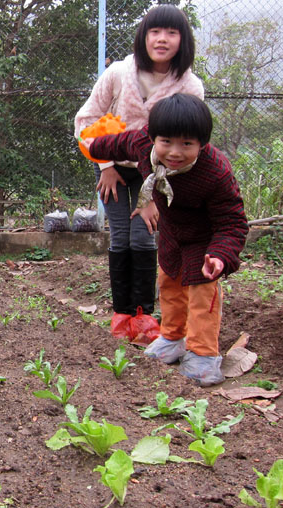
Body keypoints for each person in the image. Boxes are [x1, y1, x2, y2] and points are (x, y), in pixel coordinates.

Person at [84, 93, 249, 386]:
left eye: (187, 144)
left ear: (202, 143)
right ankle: (173, 338)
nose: (175, 152)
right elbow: (119, 142)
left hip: (204, 238)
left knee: (202, 296)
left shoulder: (215, 172)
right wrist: (94, 146)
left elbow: (232, 222)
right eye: (167, 142)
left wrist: (220, 254)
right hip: (172, 231)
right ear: (153, 136)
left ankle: (203, 354)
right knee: (170, 282)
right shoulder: (143, 143)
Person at [74, 5, 204, 330]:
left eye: (171, 33)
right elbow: (85, 120)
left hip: (158, 173)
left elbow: (187, 144)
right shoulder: (119, 72)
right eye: (154, 32)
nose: (162, 40)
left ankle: (143, 317)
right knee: (120, 236)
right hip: (113, 165)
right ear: (143, 37)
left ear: (182, 40)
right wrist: (104, 166)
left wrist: (150, 197)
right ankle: (121, 316)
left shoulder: (190, 86)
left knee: (144, 238)